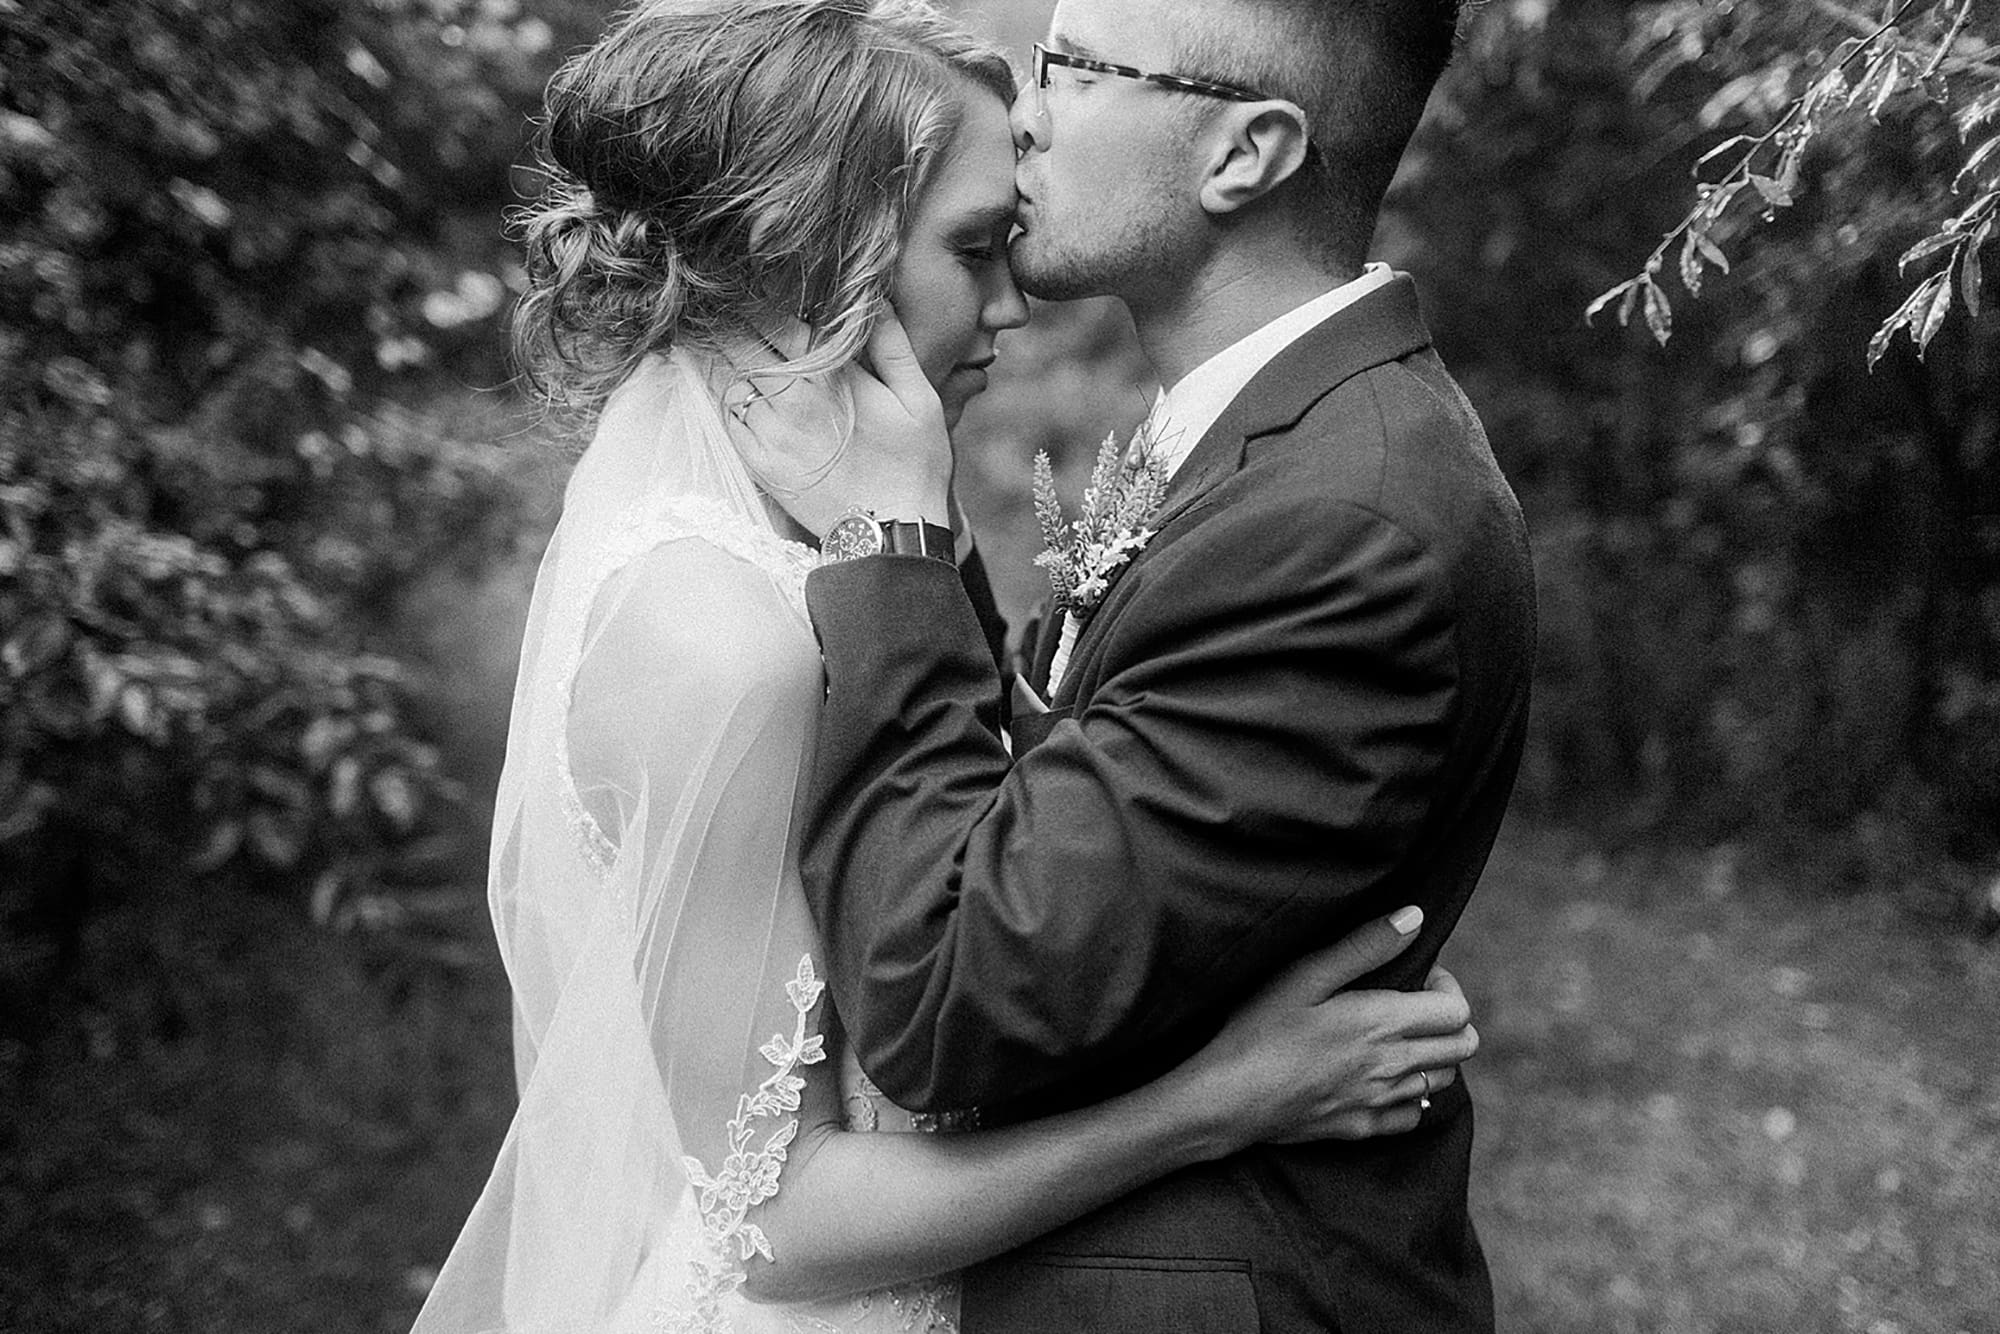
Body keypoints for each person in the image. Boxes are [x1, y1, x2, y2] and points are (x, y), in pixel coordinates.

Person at [410, 3, 1483, 1332]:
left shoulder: (820, 563)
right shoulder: (720, 635)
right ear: (815, 259)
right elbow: (777, 1216)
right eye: (976, 246)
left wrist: (905, 537)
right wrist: (1219, 1097)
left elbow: (1019, 836)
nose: (1014, 301)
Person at [761, 0, 1539, 1330]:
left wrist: (888, 539)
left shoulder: (1343, 521)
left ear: (1243, 153)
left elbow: (949, 988)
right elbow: (1070, 812)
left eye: (1076, 66)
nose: (1027, 112)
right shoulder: (1268, 437)